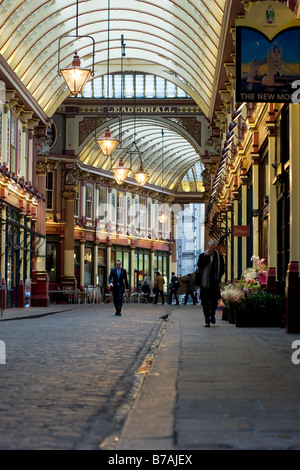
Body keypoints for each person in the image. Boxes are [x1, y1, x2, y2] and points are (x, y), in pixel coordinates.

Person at [197, 239, 224, 327]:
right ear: (207, 248)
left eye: (213, 248)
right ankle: (207, 320)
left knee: (214, 302)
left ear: (215, 248)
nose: (211, 250)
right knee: (205, 302)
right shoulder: (202, 255)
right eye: (210, 248)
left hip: (214, 283)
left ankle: (212, 314)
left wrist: (218, 278)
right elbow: (200, 265)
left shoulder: (219, 257)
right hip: (205, 283)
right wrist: (206, 256)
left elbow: (222, 269)